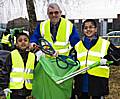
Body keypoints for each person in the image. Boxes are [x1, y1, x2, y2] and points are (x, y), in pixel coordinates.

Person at [72, 19, 120, 99]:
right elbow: (72, 61)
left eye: (91, 27)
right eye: (86, 28)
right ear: (83, 30)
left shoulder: (105, 43)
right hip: (82, 83)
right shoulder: (78, 46)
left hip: (98, 83)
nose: (88, 30)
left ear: (96, 29)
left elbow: (118, 58)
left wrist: (107, 59)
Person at [0, 32, 37, 99]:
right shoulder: (12, 55)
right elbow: (5, 73)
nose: (23, 42)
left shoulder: (33, 56)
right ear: (16, 44)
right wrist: (4, 89)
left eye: (25, 40)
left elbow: (37, 74)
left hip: (29, 92)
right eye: (20, 41)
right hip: (15, 92)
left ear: (29, 43)